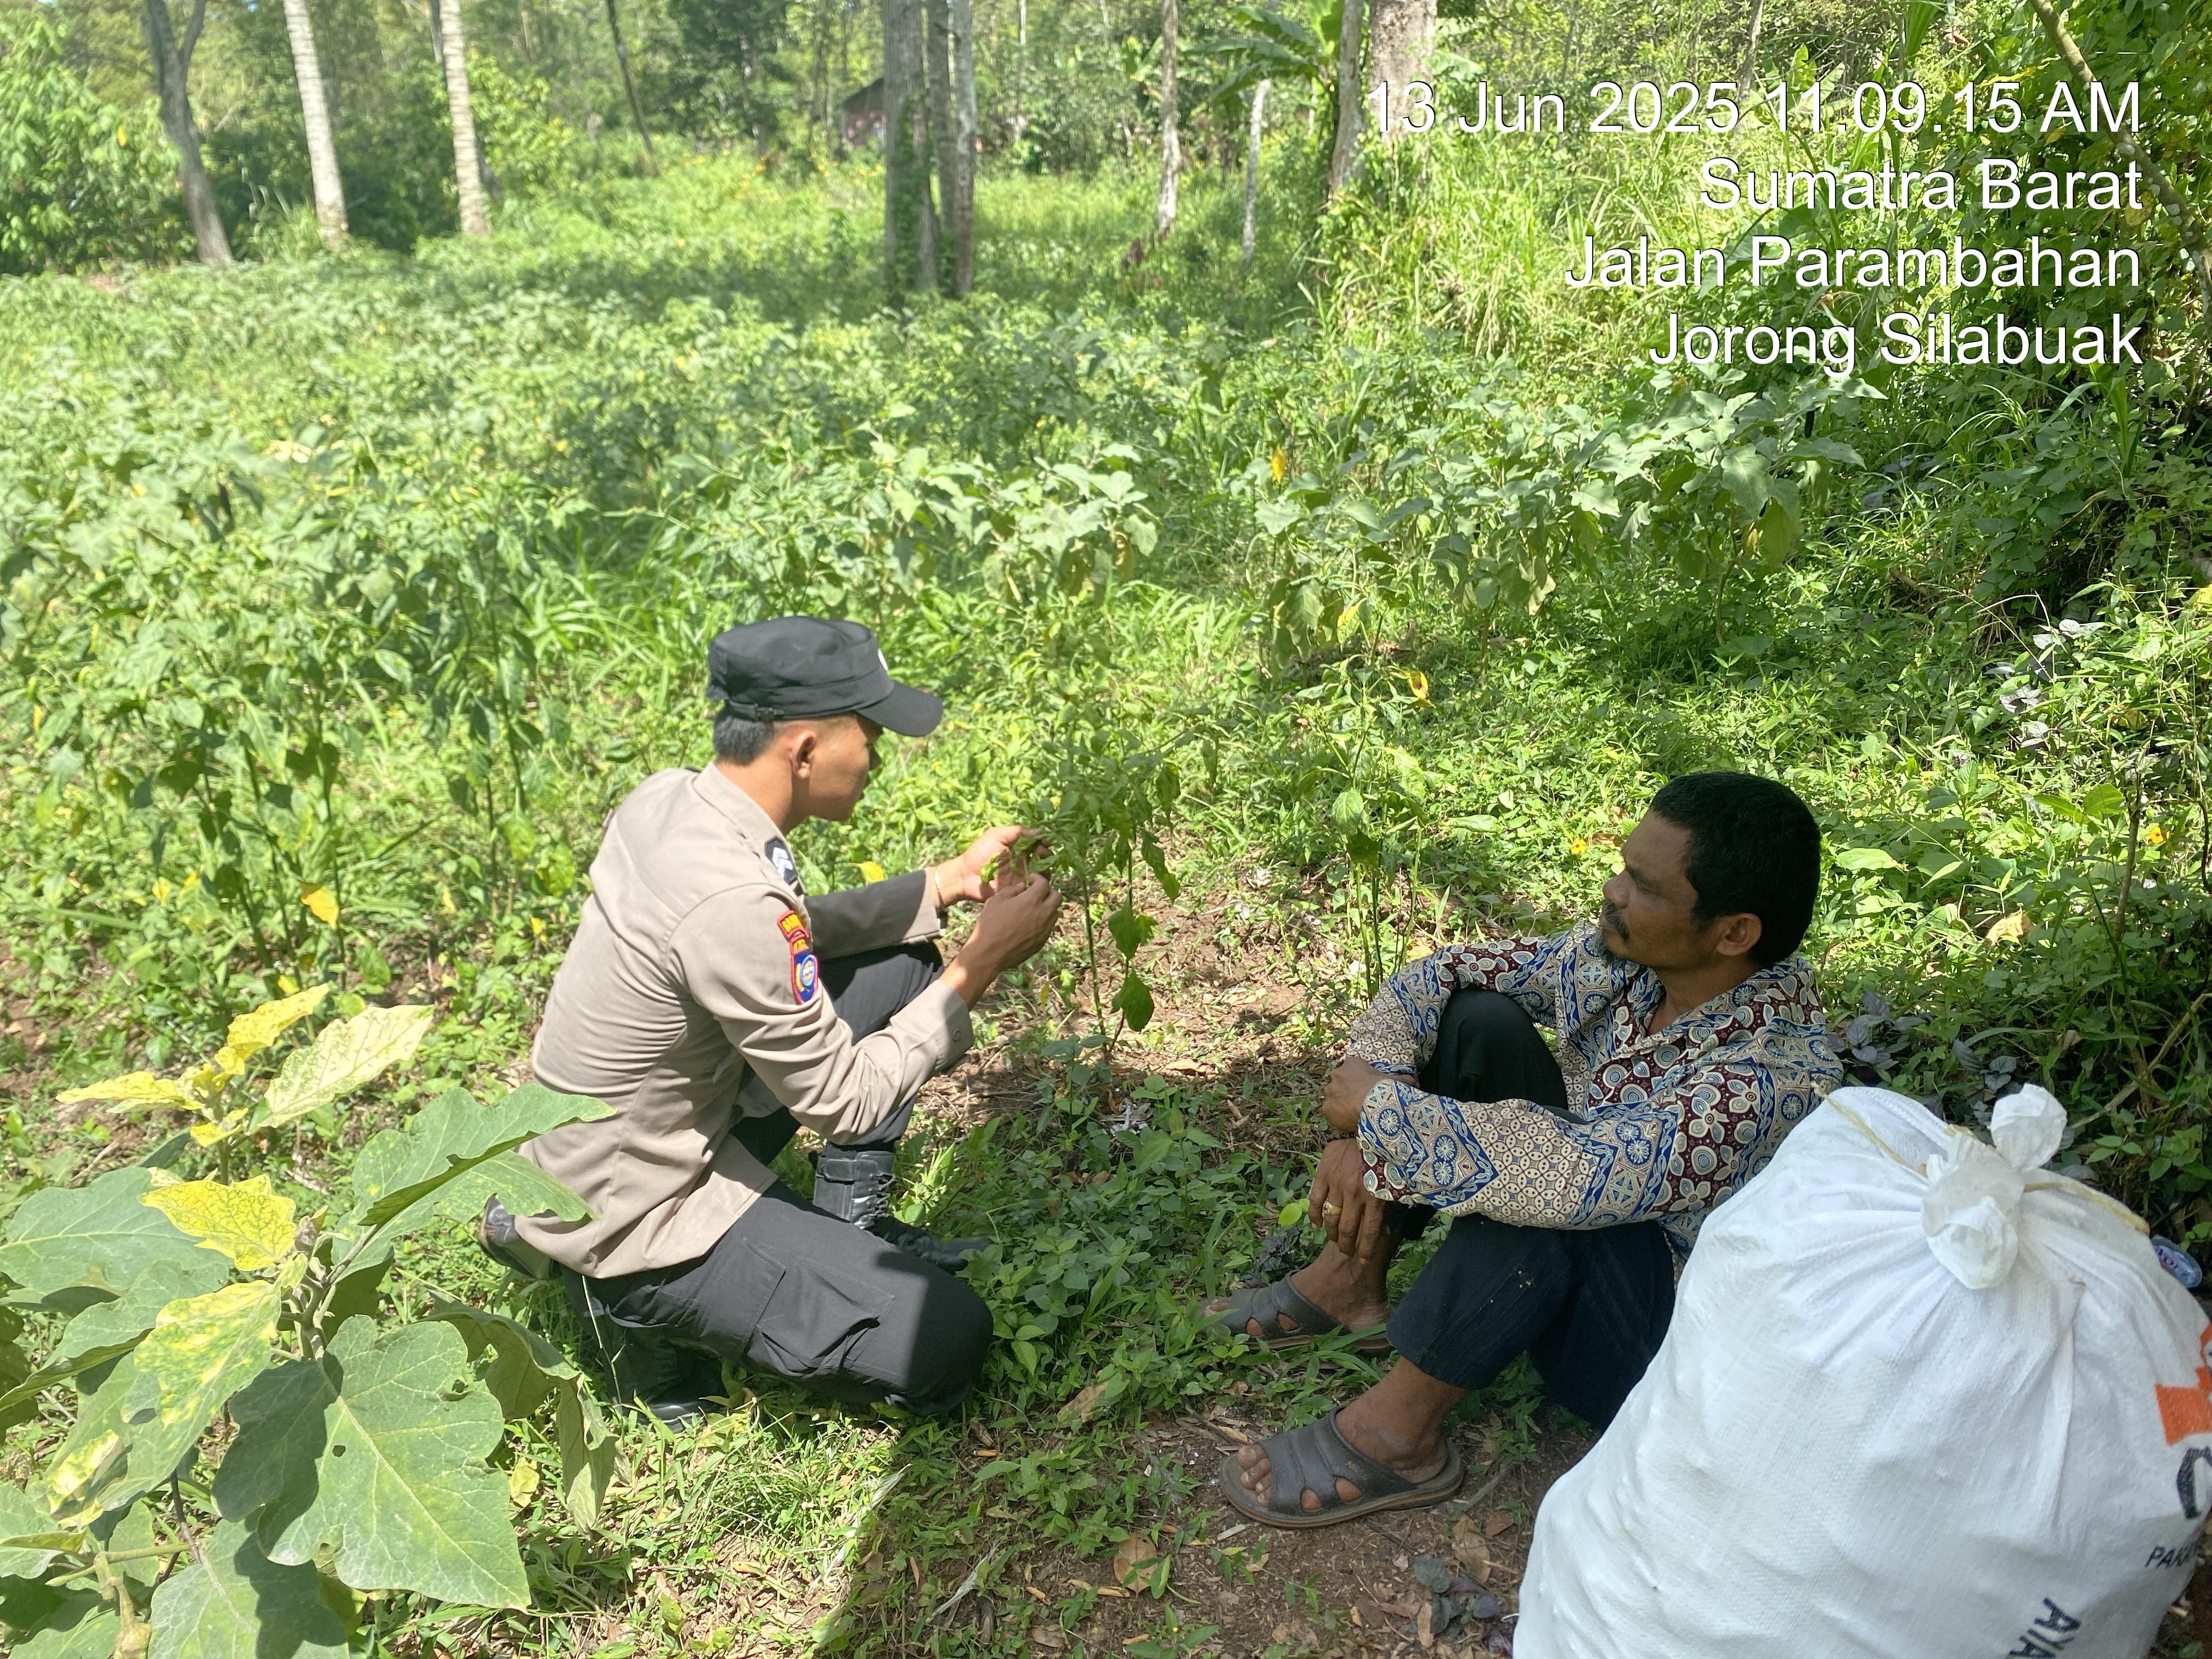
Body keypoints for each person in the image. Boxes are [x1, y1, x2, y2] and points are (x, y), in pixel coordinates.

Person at [1212, 771, 1841, 1527]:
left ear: (1734, 932)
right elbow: (1443, 975)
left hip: (1649, 1346)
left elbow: (1580, 1174)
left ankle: (1399, 1435)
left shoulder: (1772, 1073)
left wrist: (1381, 1113)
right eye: (1622, 867)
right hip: (1579, 1209)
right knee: (1477, 1021)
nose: (1612, 891)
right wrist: (1364, 1116)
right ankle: (1350, 1281)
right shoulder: (1633, 958)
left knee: (1545, 1179)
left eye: (1642, 884)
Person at [484, 616, 1062, 1425]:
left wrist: (941, 886)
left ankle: (844, 1224)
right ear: (803, 750)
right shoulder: (730, 897)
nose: (879, 754)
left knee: (902, 962)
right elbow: (847, 1102)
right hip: (631, 1212)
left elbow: (780, 932)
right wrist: (982, 965)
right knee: (945, 1339)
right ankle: (626, 1307)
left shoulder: (671, 802)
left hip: (623, 1137)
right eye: (868, 732)